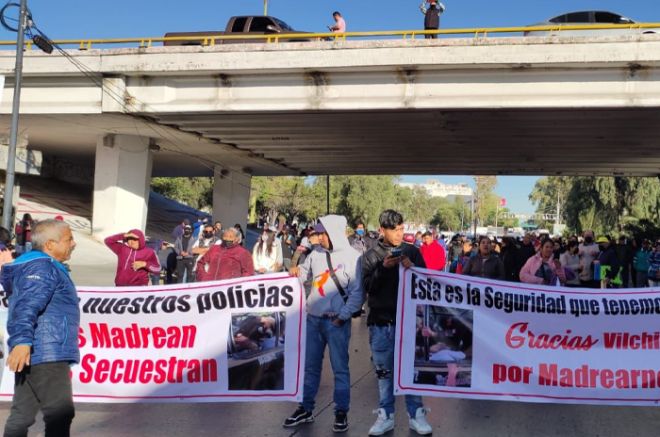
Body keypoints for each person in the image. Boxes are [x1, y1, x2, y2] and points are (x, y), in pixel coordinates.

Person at [283, 215, 363, 433]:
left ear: (333, 233)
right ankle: (305, 408)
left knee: (340, 369)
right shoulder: (316, 254)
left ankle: (341, 411)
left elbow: (358, 294)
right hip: (313, 320)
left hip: (336, 323)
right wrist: (294, 273)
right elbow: (303, 276)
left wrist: (342, 316)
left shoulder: (353, 258)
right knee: (310, 368)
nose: (317, 237)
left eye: (321, 233)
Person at [2, 220, 78, 437]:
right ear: (50, 244)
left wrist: (23, 342)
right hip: (46, 351)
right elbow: (28, 305)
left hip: (35, 351)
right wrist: (22, 341)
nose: (73, 244)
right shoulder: (42, 266)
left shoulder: (38, 265)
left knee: (23, 415)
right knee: (60, 413)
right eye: (69, 239)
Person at [362, 209, 432, 436]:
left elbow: (427, 284)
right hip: (381, 323)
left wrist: (416, 269)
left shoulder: (413, 251)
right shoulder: (371, 256)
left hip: (409, 322)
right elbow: (366, 288)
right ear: (382, 230)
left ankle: (416, 414)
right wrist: (383, 269)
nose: (400, 233)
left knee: (410, 371)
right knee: (384, 373)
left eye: (402, 228)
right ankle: (386, 415)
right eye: (395, 230)